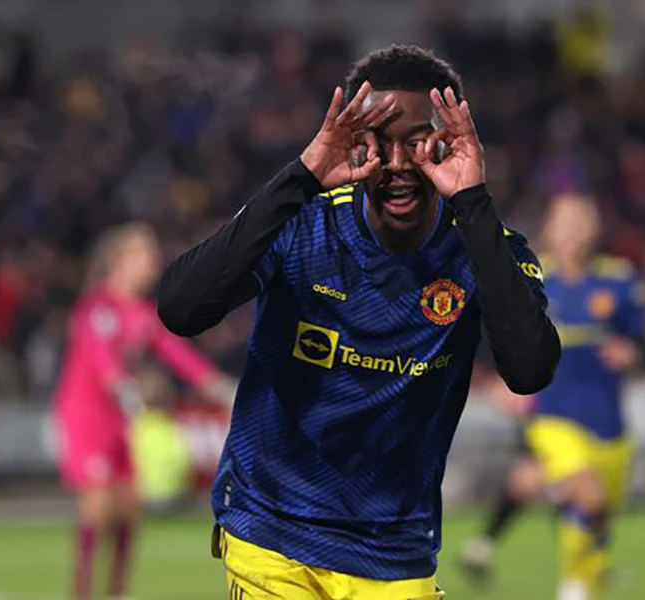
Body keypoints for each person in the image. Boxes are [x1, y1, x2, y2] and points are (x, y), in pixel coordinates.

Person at [157, 45, 561, 599]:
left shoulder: (484, 247)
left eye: (418, 141)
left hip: (394, 550)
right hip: (272, 531)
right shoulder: (302, 223)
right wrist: (303, 175)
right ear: (352, 141)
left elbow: (531, 369)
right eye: (378, 140)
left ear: (450, 142)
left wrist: (472, 201)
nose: (398, 163)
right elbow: (181, 308)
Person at [460, 193, 645, 600]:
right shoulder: (531, 275)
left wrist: (632, 353)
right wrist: (493, 379)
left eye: (582, 220)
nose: (575, 230)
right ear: (550, 228)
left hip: (608, 422)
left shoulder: (619, 279)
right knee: (587, 494)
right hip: (552, 416)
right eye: (567, 221)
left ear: (596, 228)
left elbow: (640, 340)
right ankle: (573, 582)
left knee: (596, 513)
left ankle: (582, 575)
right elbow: (488, 327)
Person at [53, 222, 233, 600]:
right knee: (98, 503)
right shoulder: (97, 308)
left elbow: (178, 354)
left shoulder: (143, 313)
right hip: (86, 417)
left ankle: (116, 590)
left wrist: (220, 388)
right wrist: (127, 390)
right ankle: (82, 591)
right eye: (145, 254)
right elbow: (101, 361)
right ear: (120, 260)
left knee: (130, 506)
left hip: (121, 417)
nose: (154, 261)